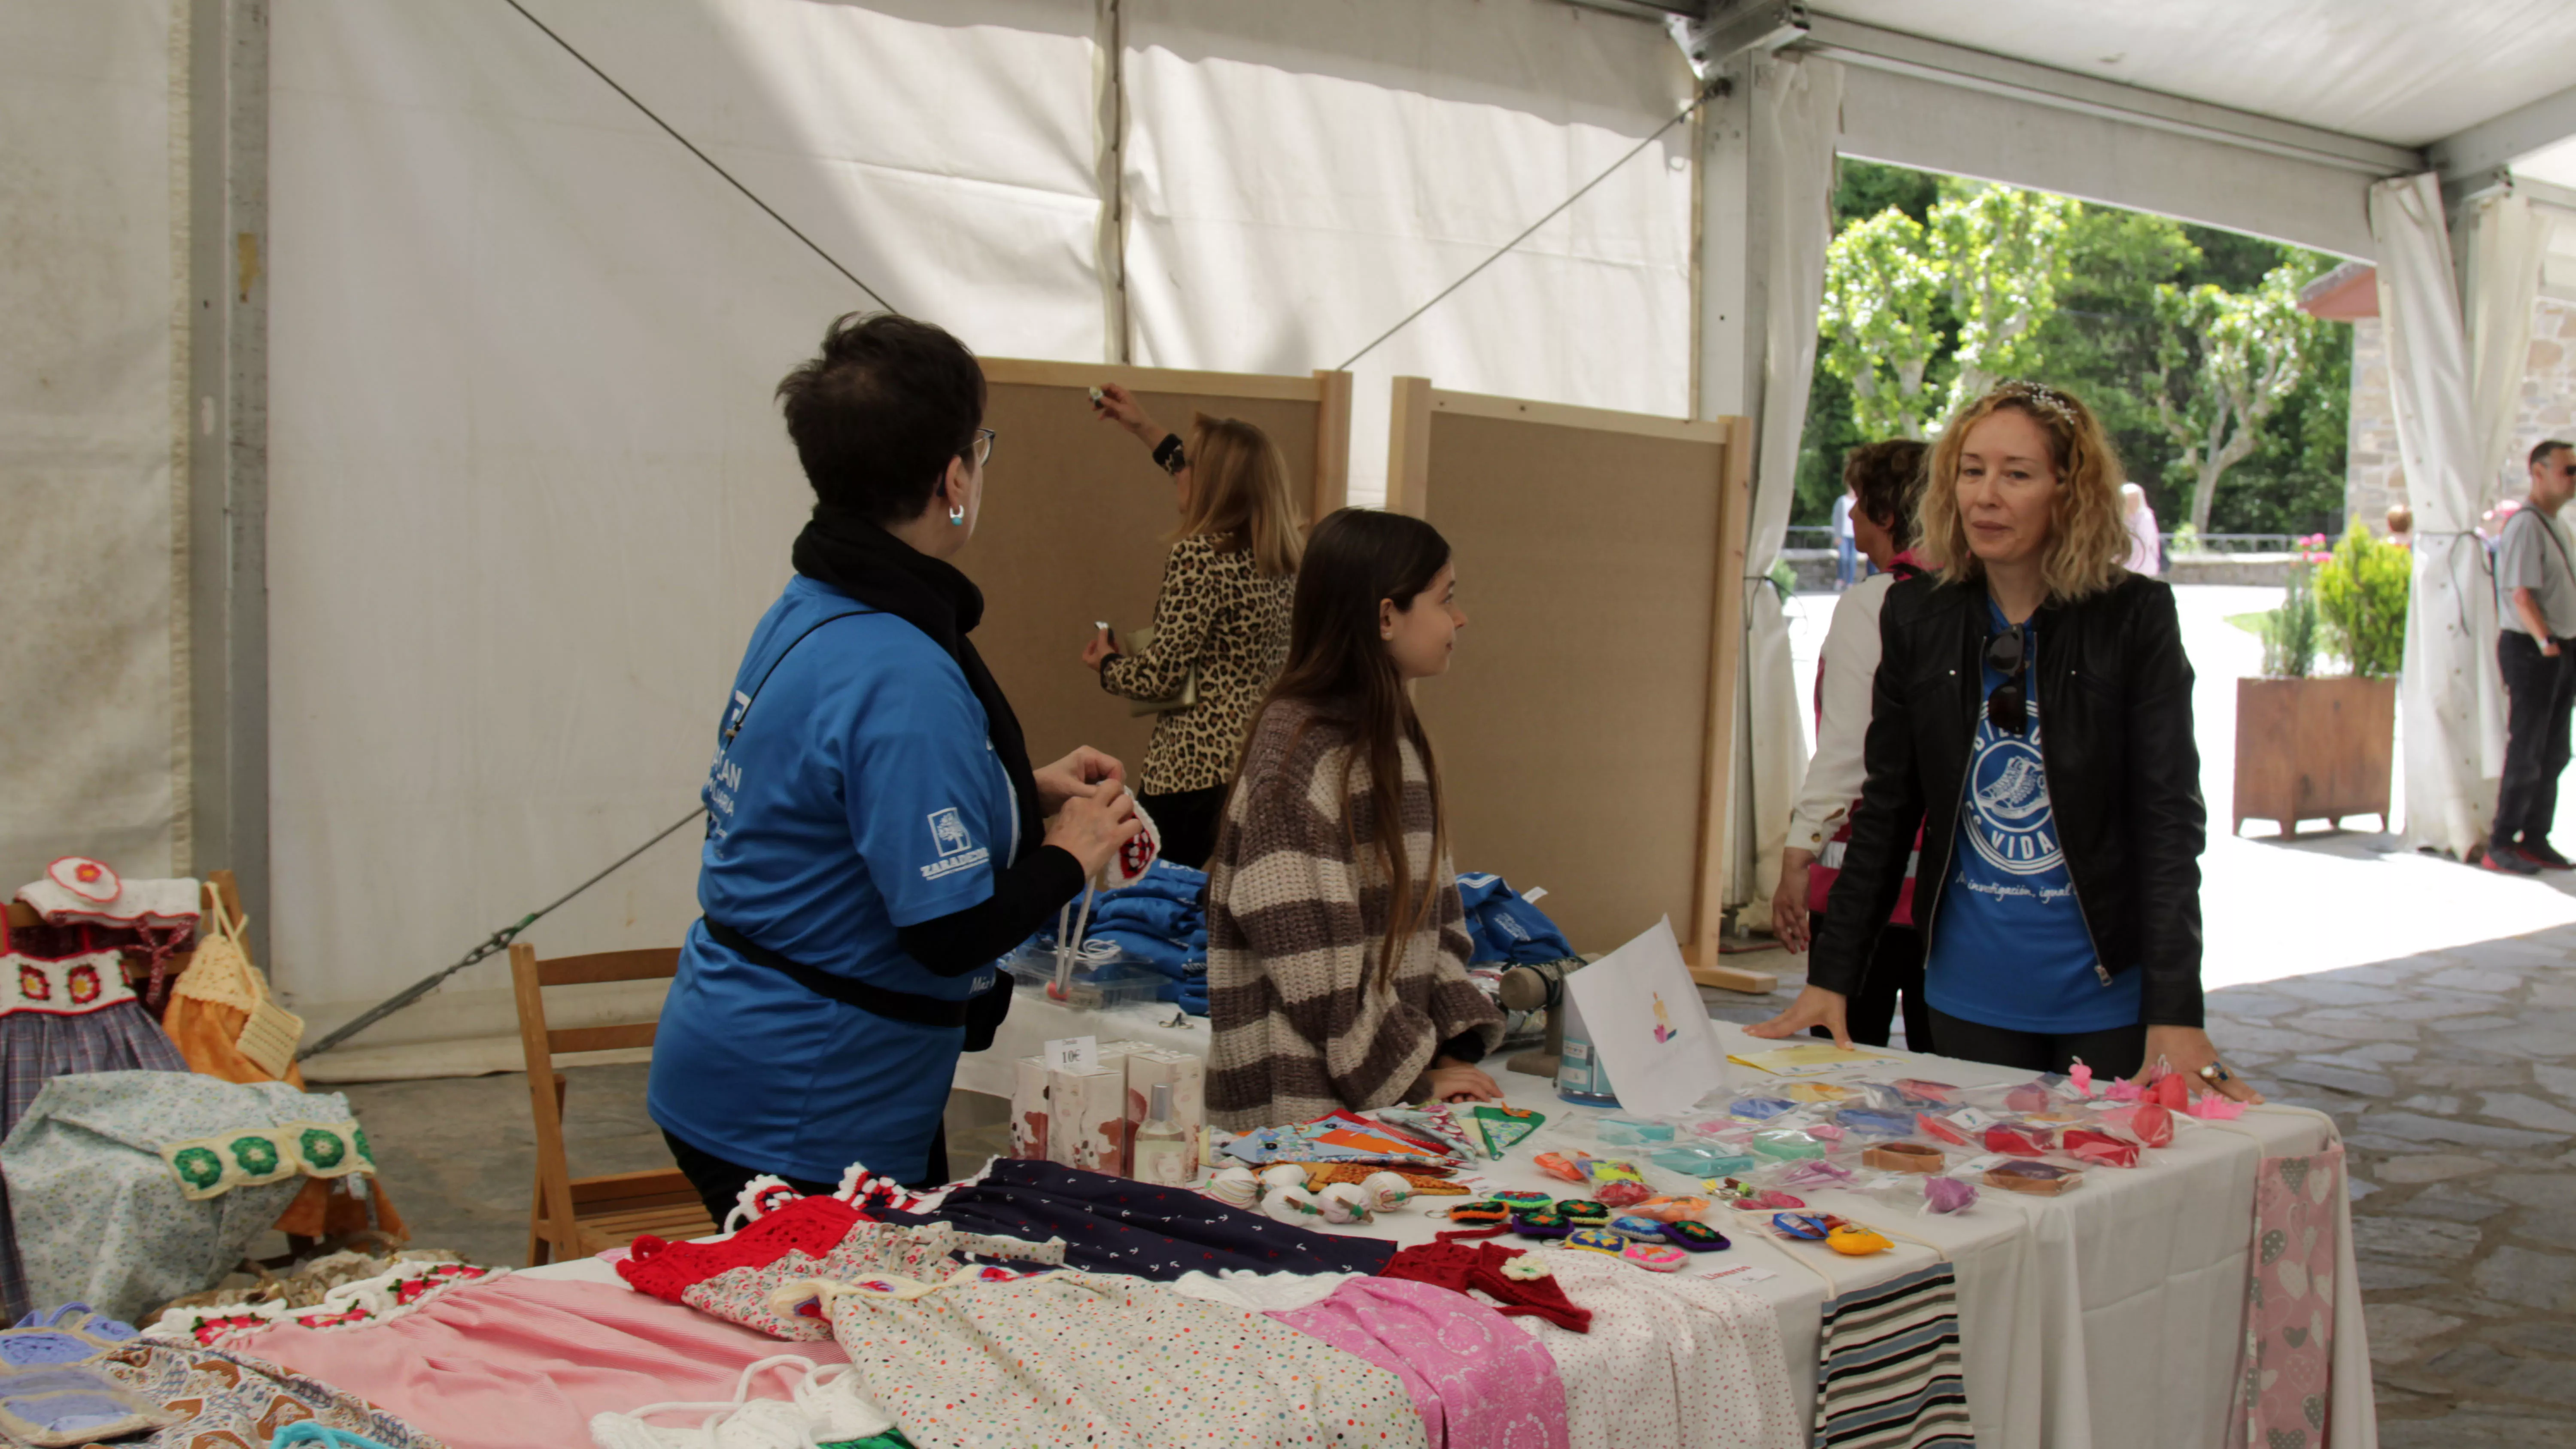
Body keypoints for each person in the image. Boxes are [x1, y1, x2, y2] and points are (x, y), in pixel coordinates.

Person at [650, 313, 1145, 1217]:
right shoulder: (899, 665)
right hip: (802, 1102)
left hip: (745, 1057)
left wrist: (1013, 789)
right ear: (955, 478)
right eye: (980, 451)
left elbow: (828, 799)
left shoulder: (814, 602)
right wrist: (1069, 852)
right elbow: (951, 932)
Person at [1748, 380, 2257, 1102]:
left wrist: (2176, 1010)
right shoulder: (1915, 616)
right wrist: (1835, 977)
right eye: (1972, 470)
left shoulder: (2135, 617)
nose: (1986, 495)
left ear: (2068, 490)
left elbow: (2169, 822)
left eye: (2016, 474)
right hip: (1966, 995)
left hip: (2106, 997)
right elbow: (1888, 808)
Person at [1203, 508, 1504, 1128]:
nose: (1461, 617)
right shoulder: (1298, 753)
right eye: (1446, 599)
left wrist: (1450, 1046)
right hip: (1297, 1126)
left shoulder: (1399, 740)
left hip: (1380, 1112)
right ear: (1387, 616)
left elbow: (1438, 919)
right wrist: (1413, 1075)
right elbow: (1316, 975)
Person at [1081, 385, 1303, 868]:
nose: (1179, 470)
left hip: (1190, 774)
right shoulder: (1282, 561)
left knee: (1152, 902)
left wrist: (1109, 664)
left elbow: (1161, 677)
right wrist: (1144, 428)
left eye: (1190, 464)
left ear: (1212, 484)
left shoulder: (1199, 557)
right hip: (1256, 761)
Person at [1771, 440, 1932, 1051]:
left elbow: (1848, 748)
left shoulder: (1875, 603)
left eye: (1860, 503)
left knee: (1840, 1063)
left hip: (1864, 886)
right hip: (1952, 900)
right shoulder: (1979, 599)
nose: (1853, 516)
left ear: (1887, 515)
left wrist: (1796, 857)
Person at [2483, 439, 2576, 875]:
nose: (2573, 478)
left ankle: (2536, 838)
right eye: (2567, 470)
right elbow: (2521, 594)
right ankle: (2502, 841)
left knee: (2556, 750)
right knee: (2528, 748)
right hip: (2534, 649)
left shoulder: (2558, 524)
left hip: (2560, 648)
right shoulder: (2525, 525)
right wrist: (2546, 643)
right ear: (2538, 473)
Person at [2120, 482, 2162, 575]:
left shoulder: (2146, 517)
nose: (2131, 503)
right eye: (2128, 500)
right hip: (2123, 567)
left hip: (2143, 567)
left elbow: (2144, 541)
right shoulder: (2118, 519)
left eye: (2134, 499)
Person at [1831, 489, 1859, 590]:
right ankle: (1840, 579)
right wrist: (1837, 535)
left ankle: (1850, 582)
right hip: (1844, 535)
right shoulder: (1842, 501)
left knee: (1853, 560)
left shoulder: (1859, 502)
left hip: (1855, 536)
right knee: (1844, 557)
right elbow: (1836, 518)